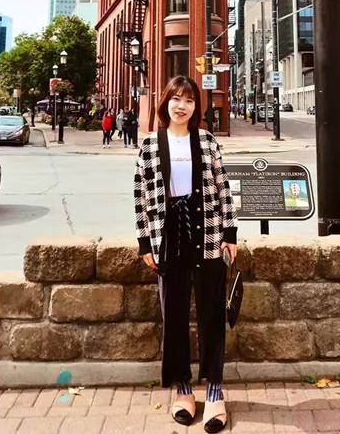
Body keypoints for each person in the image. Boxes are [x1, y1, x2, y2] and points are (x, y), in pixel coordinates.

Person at [134, 76, 238, 433]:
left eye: (190, 100)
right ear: (165, 103)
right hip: (168, 238)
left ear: (196, 107)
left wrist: (230, 234)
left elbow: (223, 188)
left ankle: (214, 391)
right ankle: (182, 389)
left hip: (207, 232)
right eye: (176, 99)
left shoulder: (207, 141)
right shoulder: (150, 145)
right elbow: (141, 197)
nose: (182, 106)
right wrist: (145, 243)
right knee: (174, 315)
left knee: (211, 313)